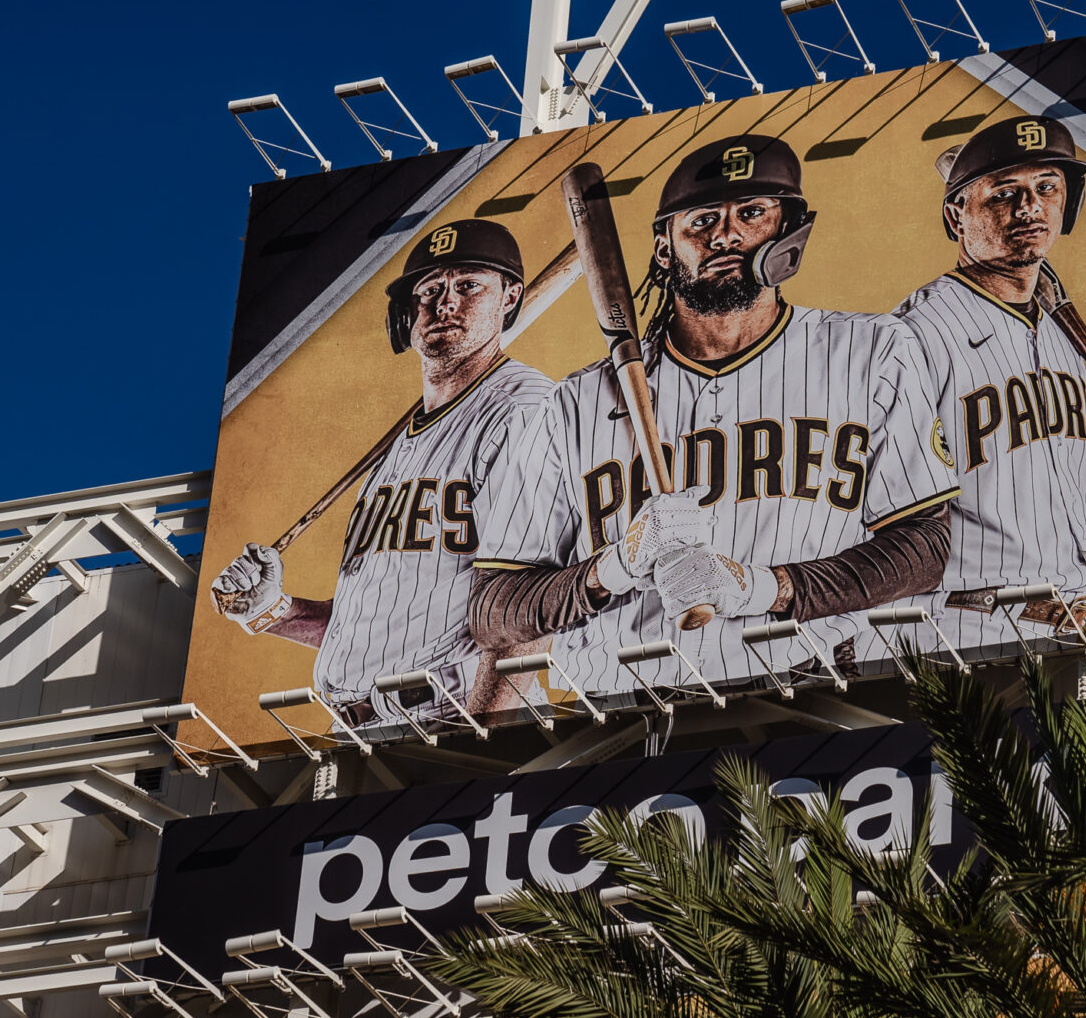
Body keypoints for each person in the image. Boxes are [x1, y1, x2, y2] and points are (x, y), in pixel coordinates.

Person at [467, 135, 957, 695]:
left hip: (810, 690)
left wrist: (762, 588)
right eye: (700, 220)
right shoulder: (571, 404)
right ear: (663, 249)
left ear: (790, 230)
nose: (725, 234)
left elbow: (926, 548)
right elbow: (493, 610)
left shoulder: (871, 352)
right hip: (622, 711)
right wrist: (615, 567)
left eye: (751, 213)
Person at [209, 219, 554, 727]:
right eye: (430, 290)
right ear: (406, 316)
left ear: (510, 297)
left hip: (455, 718)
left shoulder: (524, 409)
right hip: (360, 729)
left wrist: (487, 735)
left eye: (468, 285)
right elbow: (374, 630)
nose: (446, 303)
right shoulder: (399, 447)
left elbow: (529, 603)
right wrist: (272, 611)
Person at [892, 115, 1086, 653]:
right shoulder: (913, 337)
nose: (1029, 207)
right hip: (960, 629)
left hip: (1069, 627)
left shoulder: (1058, 332)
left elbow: (1011, 496)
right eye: (1004, 193)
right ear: (956, 214)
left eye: (1046, 188)